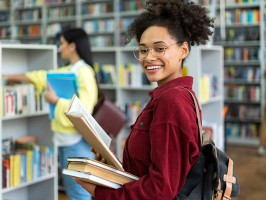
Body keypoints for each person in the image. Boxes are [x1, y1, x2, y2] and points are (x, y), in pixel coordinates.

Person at [75, 0, 214, 199]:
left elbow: (160, 190)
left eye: (159, 48)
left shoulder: (172, 102)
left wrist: (100, 192)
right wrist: (111, 168)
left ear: (183, 50)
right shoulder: (171, 96)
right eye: (143, 50)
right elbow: (151, 170)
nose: (148, 57)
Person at [3, 28, 97, 200]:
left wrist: (56, 101)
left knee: (79, 194)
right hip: (63, 141)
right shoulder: (69, 69)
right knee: (73, 192)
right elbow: (42, 76)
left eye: (62, 43)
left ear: (72, 46)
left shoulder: (84, 72)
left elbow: (84, 110)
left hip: (76, 143)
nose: (59, 48)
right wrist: (8, 76)